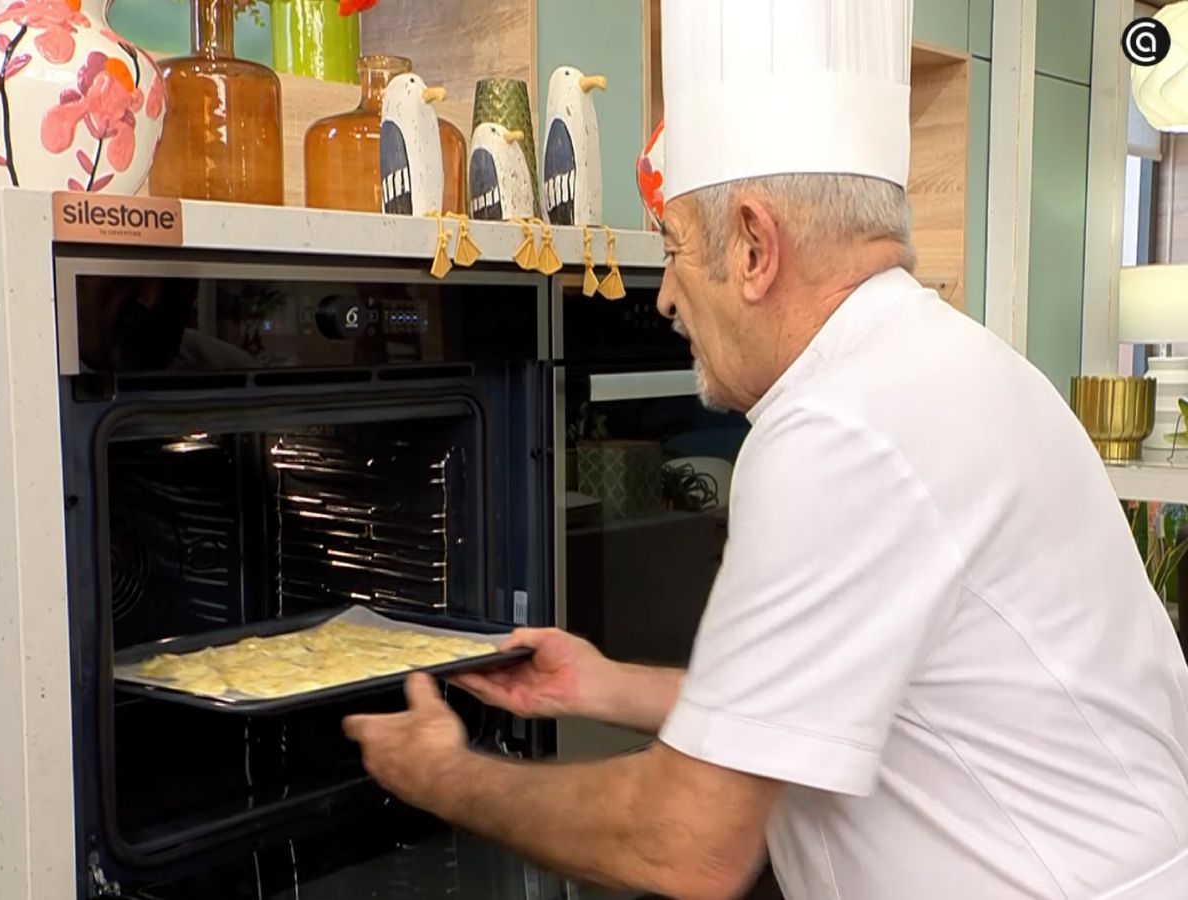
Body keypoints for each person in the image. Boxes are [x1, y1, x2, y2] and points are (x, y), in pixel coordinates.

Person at [342, 1, 1188, 897]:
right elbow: (832, 707)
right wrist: (601, 686)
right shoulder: (949, 365)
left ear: (753, 245)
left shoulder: (837, 426)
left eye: (673, 248)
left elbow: (684, 844)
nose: (663, 296)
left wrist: (441, 775)